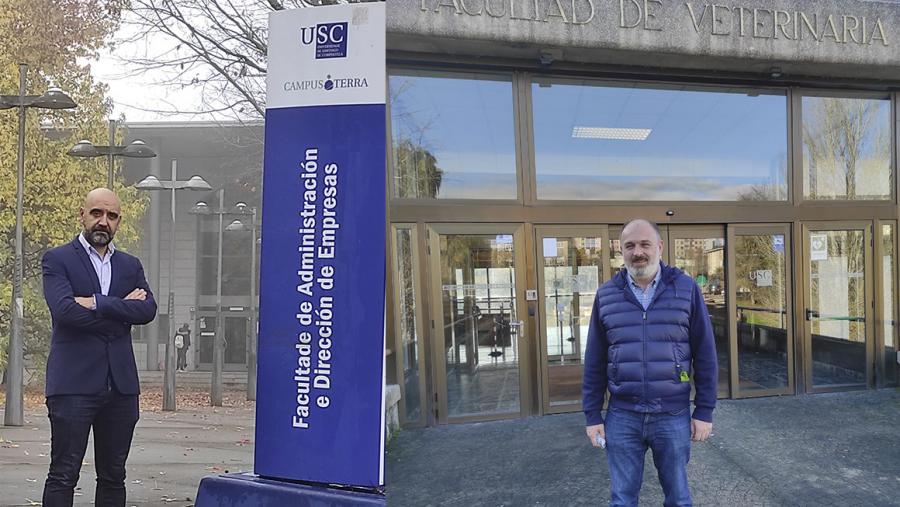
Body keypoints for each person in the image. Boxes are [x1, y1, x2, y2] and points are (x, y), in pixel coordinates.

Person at [582, 219, 717, 507]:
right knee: (622, 499)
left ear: (660, 246)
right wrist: (592, 416)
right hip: (622, 415)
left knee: (678, 498)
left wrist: (704, 410)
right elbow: (595, 360)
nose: (638, 252)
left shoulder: (686, 289)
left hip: (672, 414)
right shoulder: (606, 295)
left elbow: (705, 353)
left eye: (645, 244)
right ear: (621, 250)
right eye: (629, 245)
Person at [41, 188, 157, 507]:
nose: (103, 221)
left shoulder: (130, 265)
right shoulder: (58, 259)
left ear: (119, 221)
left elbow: (147, 310)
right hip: (73, 386)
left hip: (121, 388)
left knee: (114, 476)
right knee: (63, 475)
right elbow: (65, 311)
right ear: (82, 215)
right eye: (97, 213)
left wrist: (97, 302)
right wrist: (122, 311)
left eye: (112, 216)